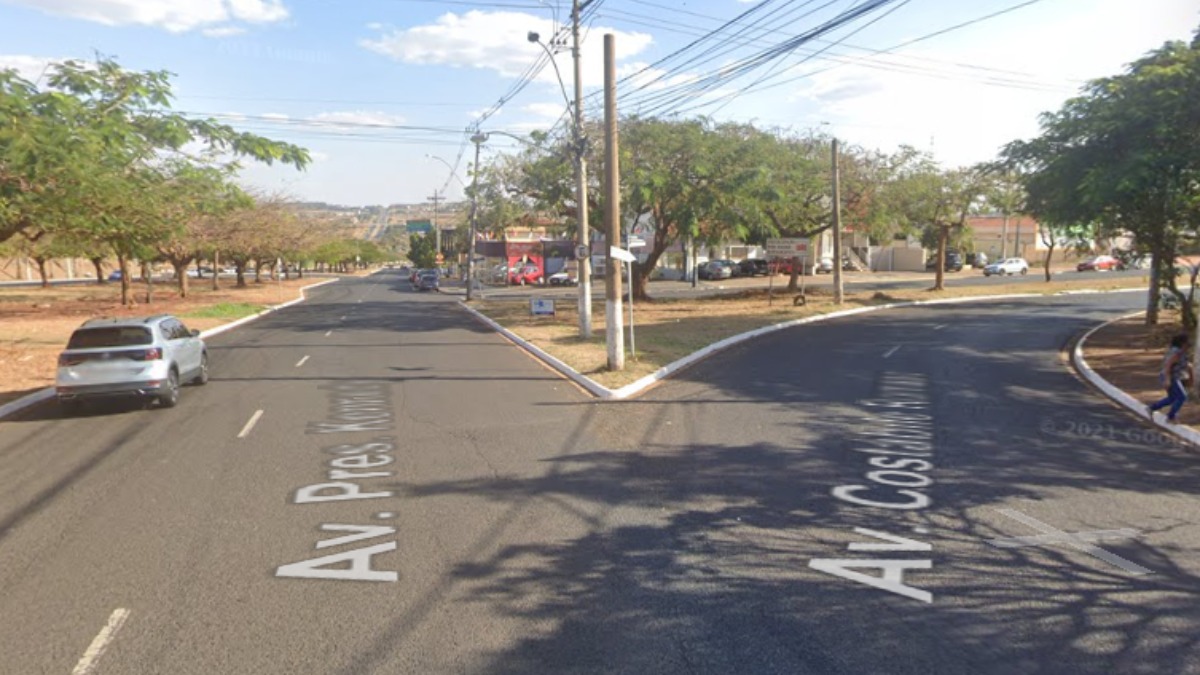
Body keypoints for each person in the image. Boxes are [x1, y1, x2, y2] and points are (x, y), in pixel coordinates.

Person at [1148, 333, 1193, 422]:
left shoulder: (1180, 352)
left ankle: (1152, 408)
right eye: (1187, 343)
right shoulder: (1177, 353)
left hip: (1172, 376)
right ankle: (1171, 416)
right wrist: (1167, 380)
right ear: (1182, 343)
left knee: (1172, 398)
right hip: (1170, 377)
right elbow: (1168, 366)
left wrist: (1191, 377)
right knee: (1182, 397)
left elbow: (1187, 365)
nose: (1188, 345)